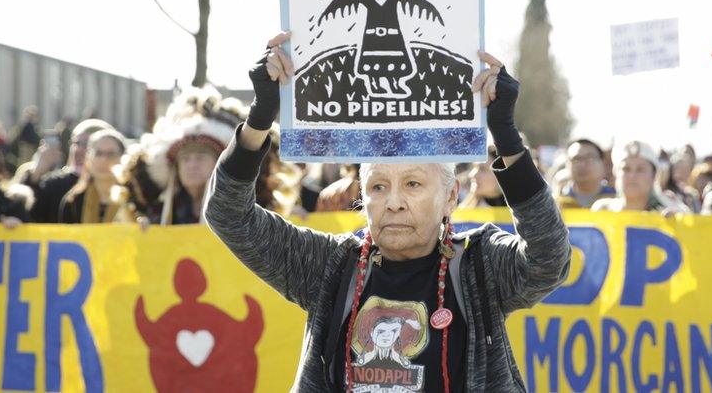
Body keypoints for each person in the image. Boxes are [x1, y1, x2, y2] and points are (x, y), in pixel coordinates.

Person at [204, 32, 570, 392]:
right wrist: (259, 120)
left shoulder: (480, 265)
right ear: (363, 197)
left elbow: (549, 260)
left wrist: (506, 138)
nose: (394, 201)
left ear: (450, 197)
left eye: (413, 184)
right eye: (378, 187)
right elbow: (227, 214)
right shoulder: (328, 266)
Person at [120, 87, 248, 226]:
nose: (192, 165)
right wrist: (144, 228)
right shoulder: (160, 212)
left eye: (201, 157)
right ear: (176, 168)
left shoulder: (240, 212)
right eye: (185, 159)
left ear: (219, 164)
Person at [31, 118, 114, 223]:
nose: (79, 150)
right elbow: (28, 216)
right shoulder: (55, 185)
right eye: (76, 143)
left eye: (87, 144)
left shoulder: (118, 190)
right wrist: (35, 175)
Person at [591, 141, 690, 215]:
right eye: (626, 169)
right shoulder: (602, 210)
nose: (632, 176)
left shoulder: (673, 210)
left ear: (654, 176)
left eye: (640, 169)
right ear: (616, 174)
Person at [58, 129, 127, 223]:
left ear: (123, 158)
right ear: (88, 158)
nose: (104, 160)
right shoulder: (73, 201)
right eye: (98, 153)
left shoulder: (135, 201)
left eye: (111, 154)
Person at [555, 138, 615, 209]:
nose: (582, 164)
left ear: (603, 163)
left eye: (589, 159)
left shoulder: (615, 200)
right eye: (576, 159)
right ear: (567, 164)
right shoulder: (557, 204)